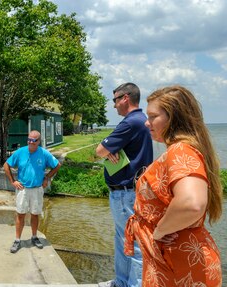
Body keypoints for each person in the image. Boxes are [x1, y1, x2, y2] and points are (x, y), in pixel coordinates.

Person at [124, 85, 223, 286]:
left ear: (174, 118)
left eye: (153, 116)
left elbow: (191, 203)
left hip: (177, 262)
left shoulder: (180, 151)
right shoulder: (185, 149)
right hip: (176, 257)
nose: (147, 122)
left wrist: (159, 232)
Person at [96, 82, 153, 287]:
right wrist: (110, 147)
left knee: (133, 243)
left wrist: (108, 148)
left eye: (115, 100)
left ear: (125, 98)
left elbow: (99, 150)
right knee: (124, 239)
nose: (114, 105)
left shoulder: (130, 122)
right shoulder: (141, 121)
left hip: (125, 193)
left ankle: (132, 284)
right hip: (133, 191)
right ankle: (122, 282)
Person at [3, 130, 61, 254]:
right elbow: (6, 165)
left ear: (39, 141)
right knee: (20, 214)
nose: (30, 142)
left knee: (35, 214)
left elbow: (57, 165)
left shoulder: (44, 153)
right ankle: (17, 240)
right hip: (22, 189)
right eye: (29, 139)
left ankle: (34, 237)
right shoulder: (20, 152)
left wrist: (47, 177)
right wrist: (13, 181)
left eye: (33, 140)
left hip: (37, 189)